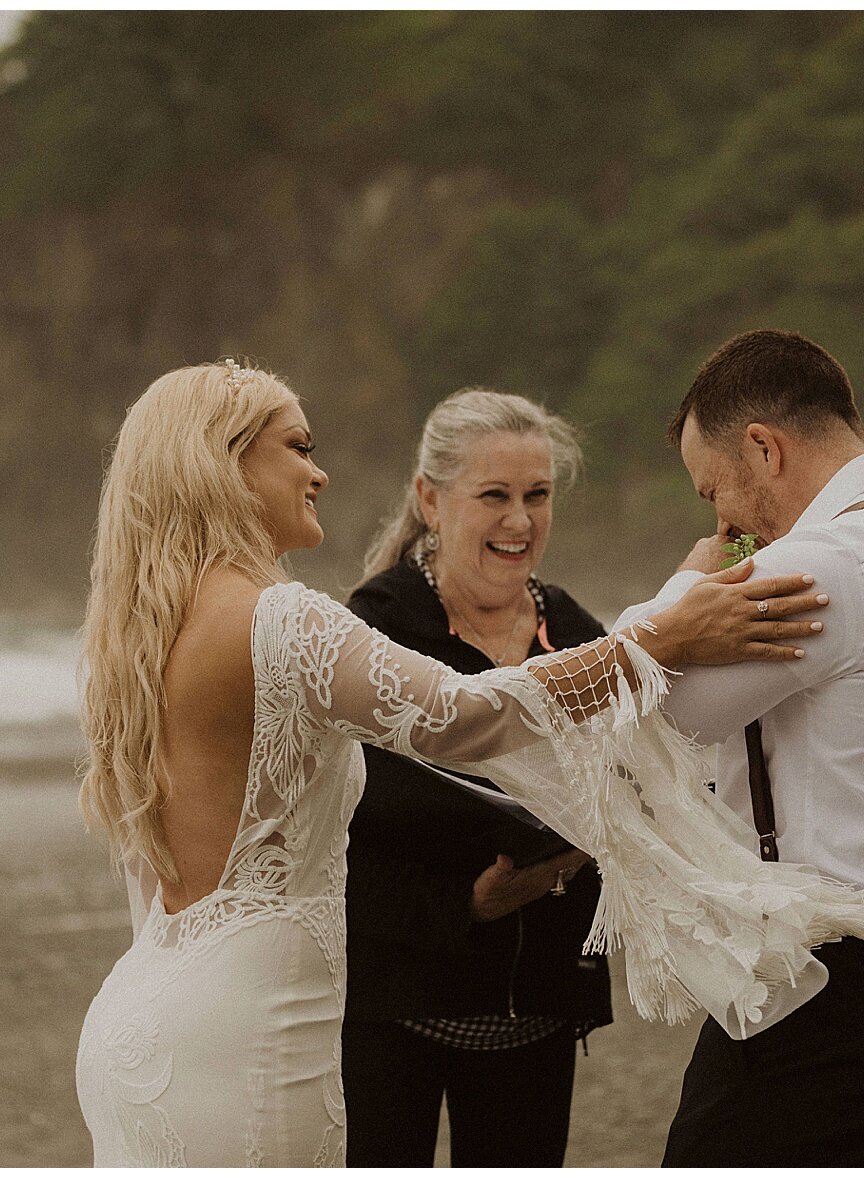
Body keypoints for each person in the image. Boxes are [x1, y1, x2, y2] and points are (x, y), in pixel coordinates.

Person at [71, 360, 864, 1166]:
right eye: (297, 446)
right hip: (248, 1029)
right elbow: (471, 715)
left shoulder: (150, 627)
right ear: (225, 462)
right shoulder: (278, 619)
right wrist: (661, 638)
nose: (319, 472)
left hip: (149, 1012)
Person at [614, 329, 864, 1167]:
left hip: (842, 991)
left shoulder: (831, 561)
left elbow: (645, 714)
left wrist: (683, 589)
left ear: (764, 447)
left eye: (714, 489)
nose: (721, 520)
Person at [341, 389, 609, 1167]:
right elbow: (338, 817)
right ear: (430, 499)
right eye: (494, 495)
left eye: (537, 495)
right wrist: (467, 902)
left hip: (542, 1004)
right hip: (394, 1000)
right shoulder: (374, 628)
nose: (520, 522)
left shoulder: (576, 633)